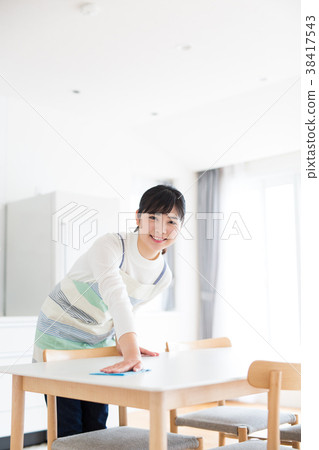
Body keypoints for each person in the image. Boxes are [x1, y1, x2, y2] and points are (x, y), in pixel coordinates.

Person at [33, 184, 186, 437]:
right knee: (68, 429)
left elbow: (126, 311)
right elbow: (116, 296)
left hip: (97, 345)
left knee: (97, 426)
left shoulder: (163, 276)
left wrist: (123, 344)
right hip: (58, 337)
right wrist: (131, 349)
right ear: (138, 217)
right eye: (153, 218)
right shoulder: (112, 245)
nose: (161, 229)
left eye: (171, 221)